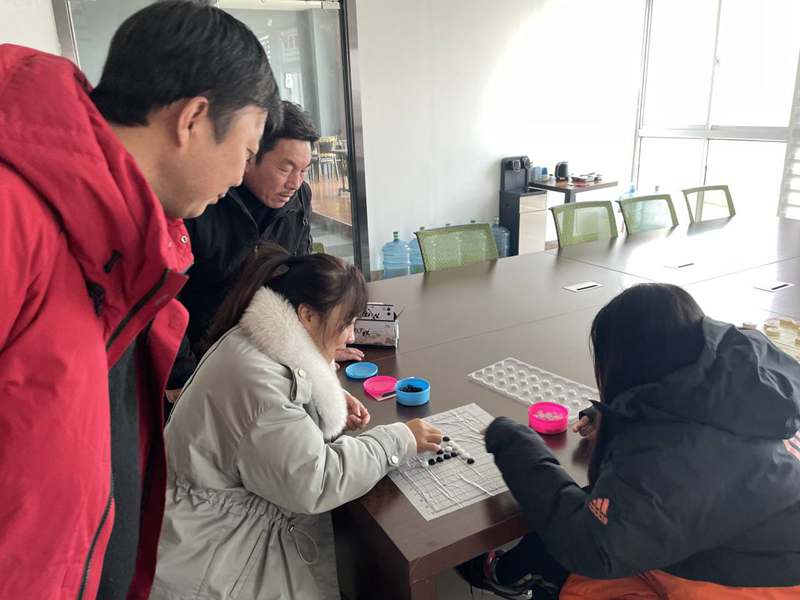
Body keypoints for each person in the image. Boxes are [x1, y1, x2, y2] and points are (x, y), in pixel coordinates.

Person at [0, 2, 280, 598]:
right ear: (193, 119)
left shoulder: (125, 248)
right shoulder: (14, 217)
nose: (241, 175)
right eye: (247, 150)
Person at [462, 283, 800, 599]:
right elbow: (690, 425)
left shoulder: (667, 456)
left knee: (562, 559)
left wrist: (515, 443)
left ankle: (505, 575)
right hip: (759, 548)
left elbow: (590, 547)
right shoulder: (748, 387)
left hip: (756, 583)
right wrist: (620, 416)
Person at [150, 244, 442, 600]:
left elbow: (271, 421)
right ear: (307, 316)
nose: (351, 336)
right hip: (213, 564)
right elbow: (316, 480)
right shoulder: (261, 388)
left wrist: (319, 398)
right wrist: (398, 440)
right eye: (346, 323)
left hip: (190, 528)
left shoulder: (248, 342)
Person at [167, 100, 362, 396]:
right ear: (249, 157)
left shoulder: (299, 197)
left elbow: (300, 283)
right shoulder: (203, 201)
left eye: (304, 170)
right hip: (204, 363)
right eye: (285, 169)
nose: (295, 183)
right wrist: (182, 377)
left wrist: (321, 343)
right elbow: (168, 300)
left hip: (270, 361)